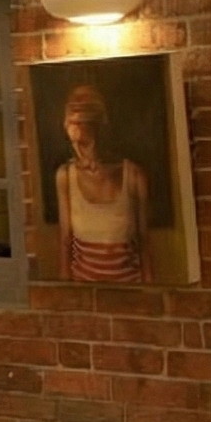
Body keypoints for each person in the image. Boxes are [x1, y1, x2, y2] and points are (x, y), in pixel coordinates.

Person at [56, 83, 152, 284]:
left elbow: (144, 246)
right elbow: (66, 243)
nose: (79, 150)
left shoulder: (134, 176)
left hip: (129, 289)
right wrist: (66, 295)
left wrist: (149, 294)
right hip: (84, 291)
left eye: (85, 142)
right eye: (74, 142)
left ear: (99, 128)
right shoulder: (65, 176)